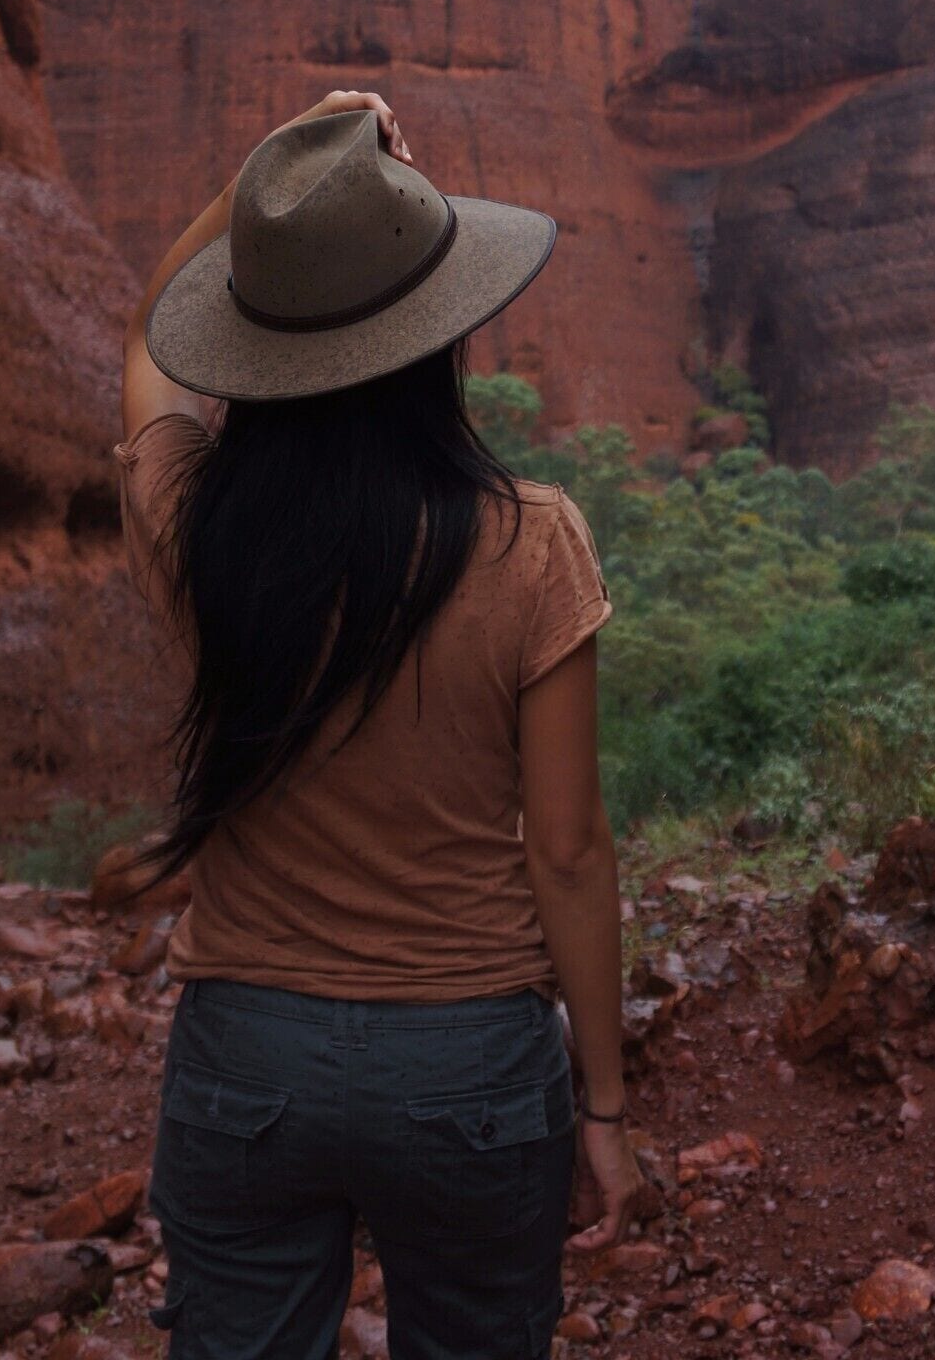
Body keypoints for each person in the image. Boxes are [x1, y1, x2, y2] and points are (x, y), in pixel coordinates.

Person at [115, 88, 641, 1360]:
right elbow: (567, 852)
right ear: (435, 331)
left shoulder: (201, 531)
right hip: (466, 1063)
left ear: (254, 343)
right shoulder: (533, 543)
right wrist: (605, 1107)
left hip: (247, 1058)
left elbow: (145, 345)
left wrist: (261, 189)